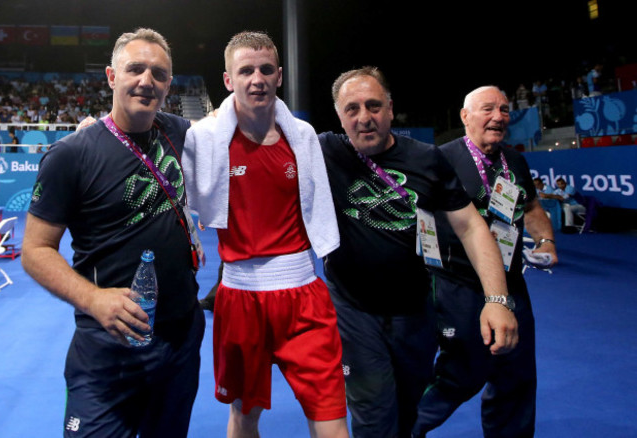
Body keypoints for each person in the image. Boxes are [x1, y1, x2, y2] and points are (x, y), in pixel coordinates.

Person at [21, 28, 205, 438]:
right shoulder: (72, 154)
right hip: (108, 347)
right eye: (135, 69)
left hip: (180, 338)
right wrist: (92, 299)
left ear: (169, 85)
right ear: (111, 76)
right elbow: (34, 250)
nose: (146, 80)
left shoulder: (178, 133)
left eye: (158, 73)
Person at [318, 67, 518, 438]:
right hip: (353, 311)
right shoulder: (324, 151)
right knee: (373, 412)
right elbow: (266, 126)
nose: (364, 117)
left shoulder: (427, 158)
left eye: (374, 106)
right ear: (339, 115)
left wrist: (497, 299)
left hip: (415, 310)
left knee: (410, 411)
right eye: (352, 109)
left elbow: (471, 227)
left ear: (391, 109)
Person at [182, 31, 349, 438]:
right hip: (240, 298)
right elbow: (147, 140)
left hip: (304, 298)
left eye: (265, 69)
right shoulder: (204, 138)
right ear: (228, 80)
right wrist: (94, 126)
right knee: (244, 417)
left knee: (332, 418)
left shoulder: (303, 137)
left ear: (278, 76)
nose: (256, 78)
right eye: (246, 70)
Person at [413, 85, 558, 438]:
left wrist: (546, 240)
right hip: (457, 282)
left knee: (517, 372)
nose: (498, 117)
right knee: (464, 371)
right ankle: (403, 427)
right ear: (465, 116)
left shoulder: (516, 160)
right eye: (488, 109)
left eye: (505, 110)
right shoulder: (440, 158)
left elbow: (531, 206)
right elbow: (418, 216)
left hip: (510, 282)